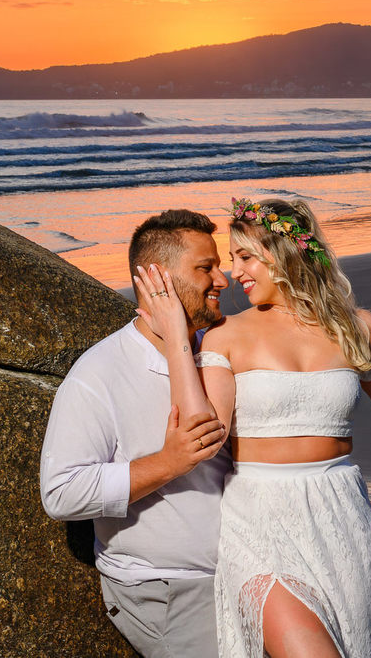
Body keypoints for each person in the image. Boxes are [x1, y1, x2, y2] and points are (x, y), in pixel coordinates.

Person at [135, 197, 371, 658]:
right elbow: (205, 433)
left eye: (246, 257)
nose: (235, 273)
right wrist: (175, 339)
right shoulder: (227, 334)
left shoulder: (359, 327)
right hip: (259, 522)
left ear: (285, 252)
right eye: (231, 260)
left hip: (340, 510)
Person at [40, 209, 232, 658]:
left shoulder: (219, 349)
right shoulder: (101, 372)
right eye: (206, 268)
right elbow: (61, 493)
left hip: (247, 572)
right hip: (170, 589)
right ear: (158, 279)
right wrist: (169, 462)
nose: (221, 280)